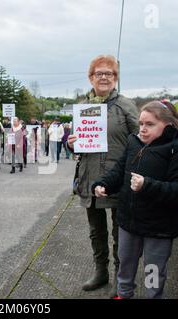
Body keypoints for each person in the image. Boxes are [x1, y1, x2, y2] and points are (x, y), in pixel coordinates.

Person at [92, 101, 178, 299]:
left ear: (168, 125)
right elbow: (119, 171)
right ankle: (123, 295)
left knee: (153, 271)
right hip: (128, 221)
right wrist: (103, 184)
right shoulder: (134, 141)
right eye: (141, 123)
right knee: (125, 265)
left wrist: (147, 185)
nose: (142, 129)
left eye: (149, 124)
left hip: (159, 227)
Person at [67, 55, 139, 296]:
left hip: (118, 176)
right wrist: (71, 143)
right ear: (91, 77)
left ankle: (122, 277)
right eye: (99, 73)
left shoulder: (126, 105)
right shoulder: (82, 106)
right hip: (89, 175)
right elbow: (78, 143)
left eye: (109, 73)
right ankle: (101, 271)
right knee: (96, 229)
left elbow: (140, 138)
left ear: (115, 77)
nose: (104, 77)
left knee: (121, 229)